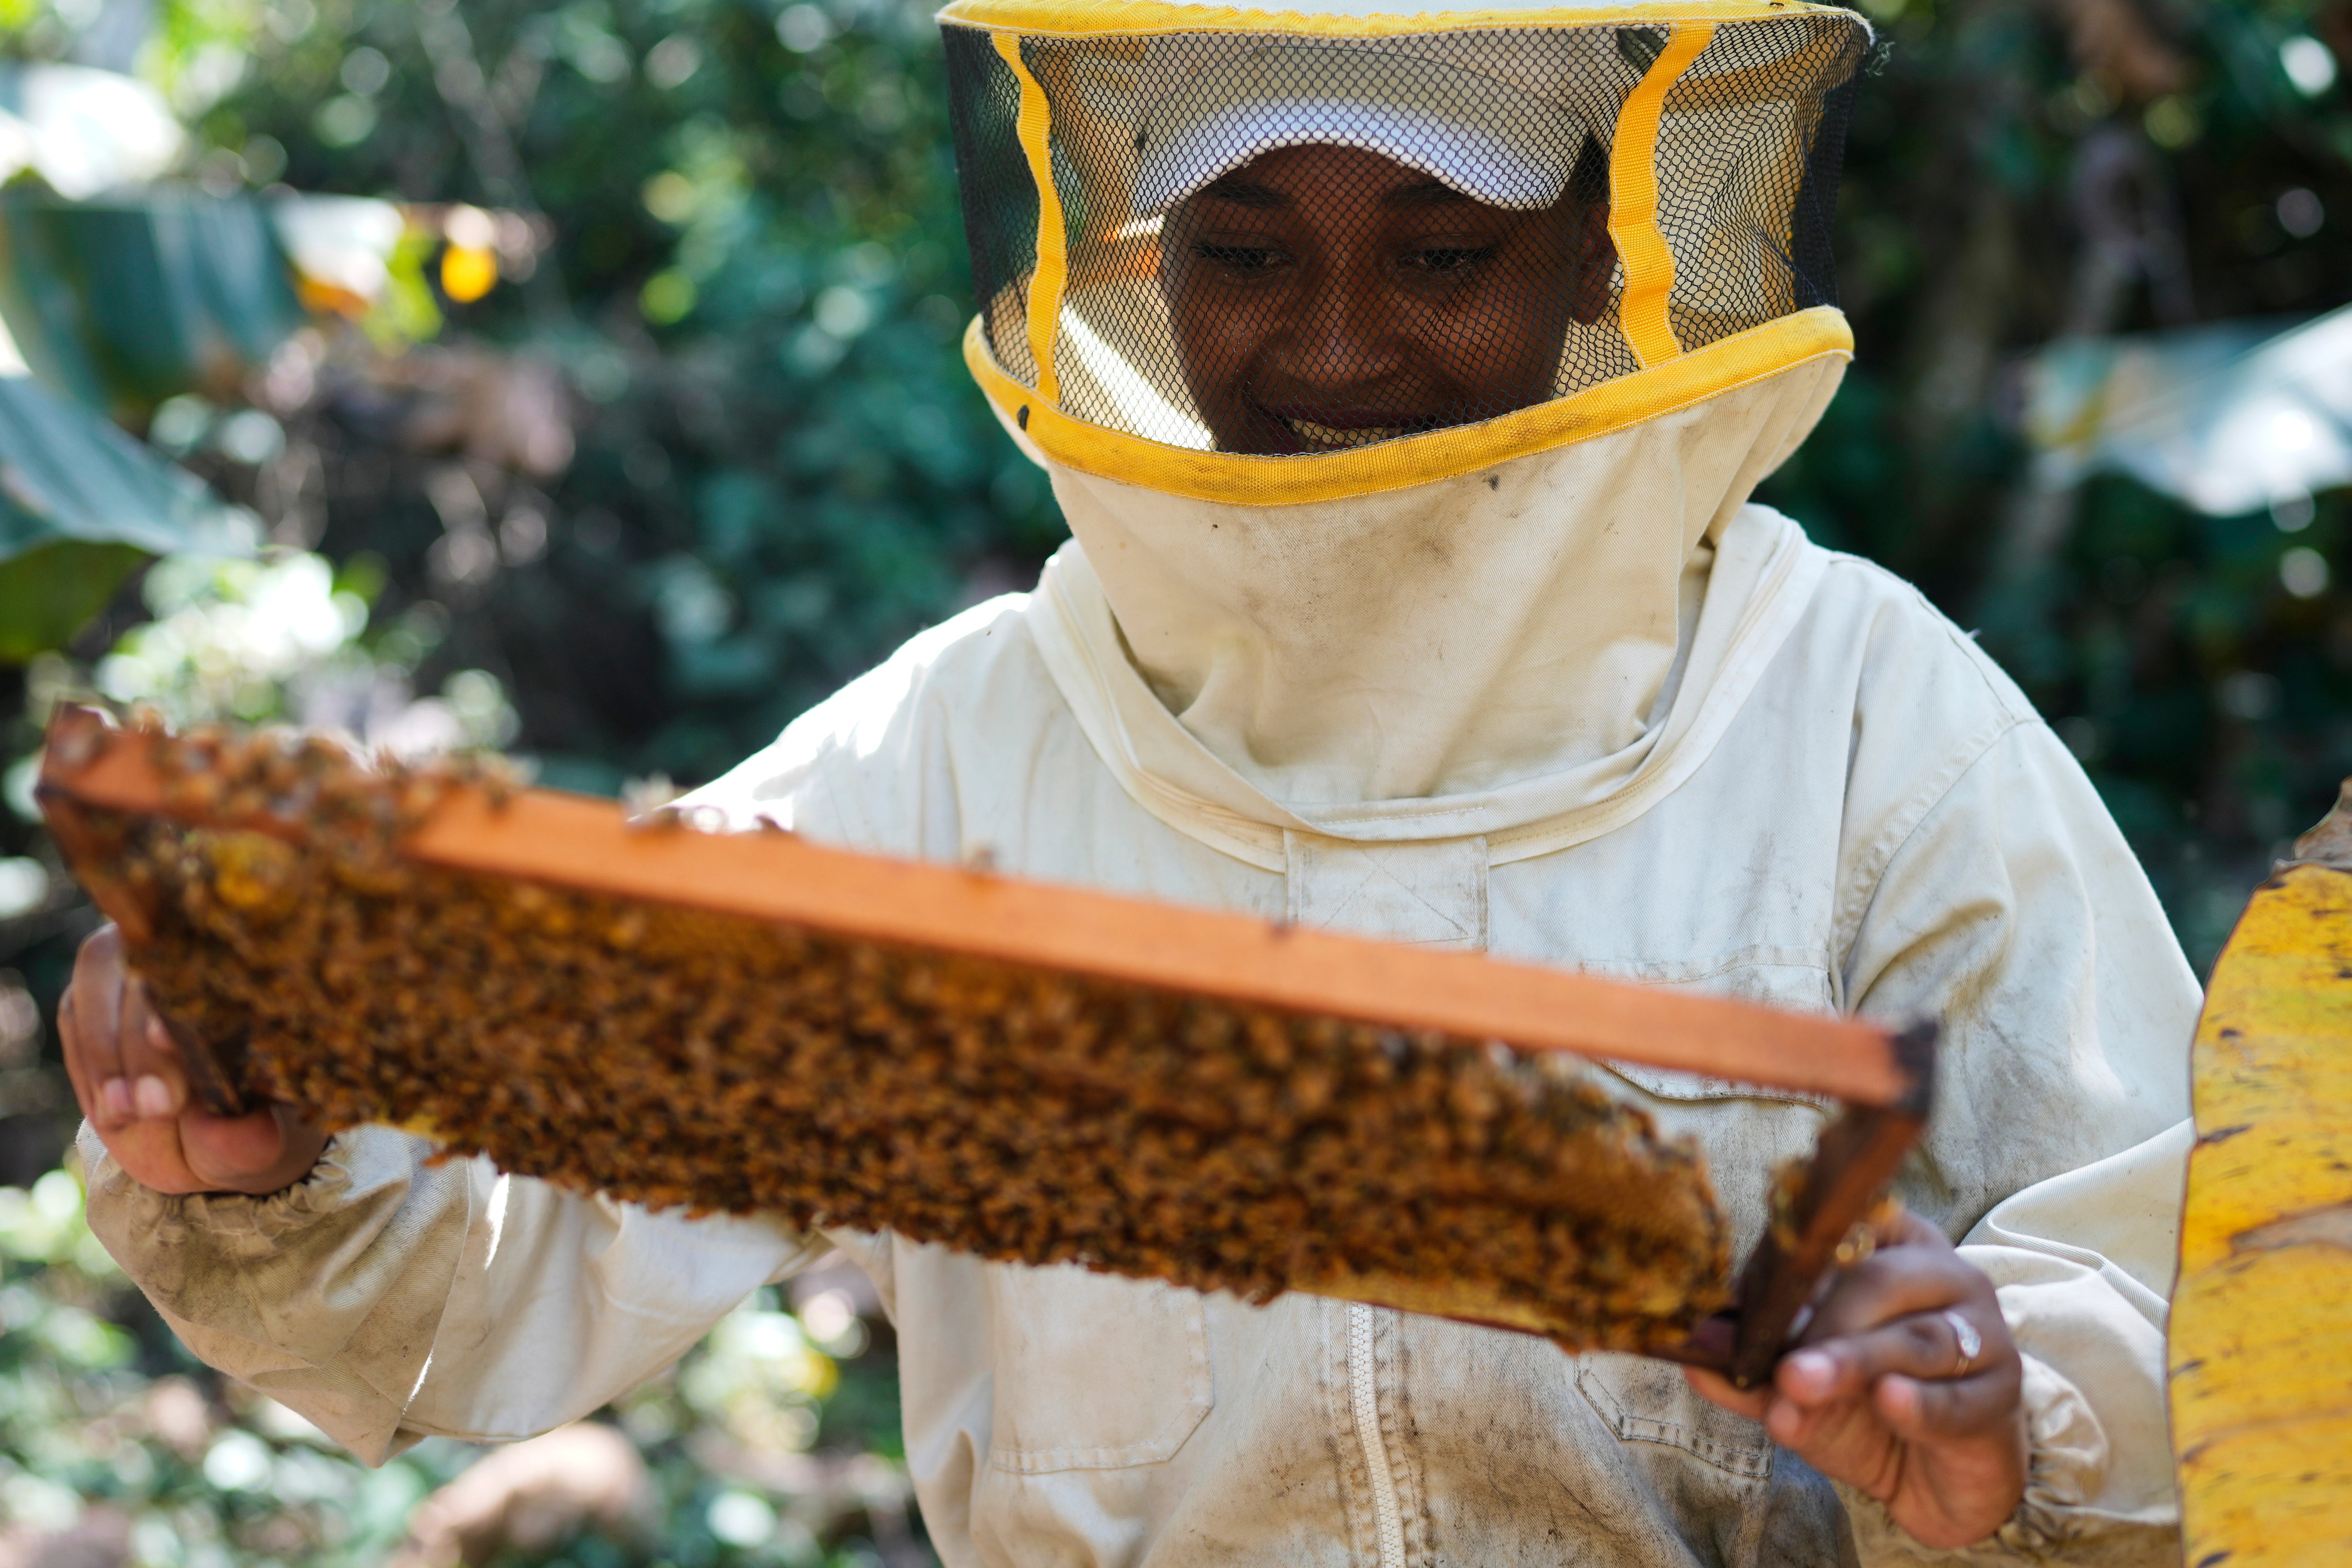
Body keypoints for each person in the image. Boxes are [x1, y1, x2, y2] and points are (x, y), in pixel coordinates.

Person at [65, 5, 2197, 1564]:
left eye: (1442, 248)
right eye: (1247, 248)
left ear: (1601, 259)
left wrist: (2000, 1385)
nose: (1336, 343)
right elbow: (513, 1247)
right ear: (1134, 257)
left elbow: (2205, 1296)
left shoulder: (1851, 711)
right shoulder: (966, 753)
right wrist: (261, 1130)